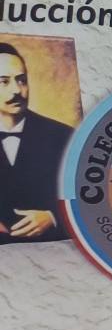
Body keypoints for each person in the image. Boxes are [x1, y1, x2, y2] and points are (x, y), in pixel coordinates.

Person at [0, 42, 72, 243]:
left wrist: (53, 217)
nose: (16, 90)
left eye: (21, 80)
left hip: (50, 252)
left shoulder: (63, 136)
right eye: (4, 81)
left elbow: (89, 200)